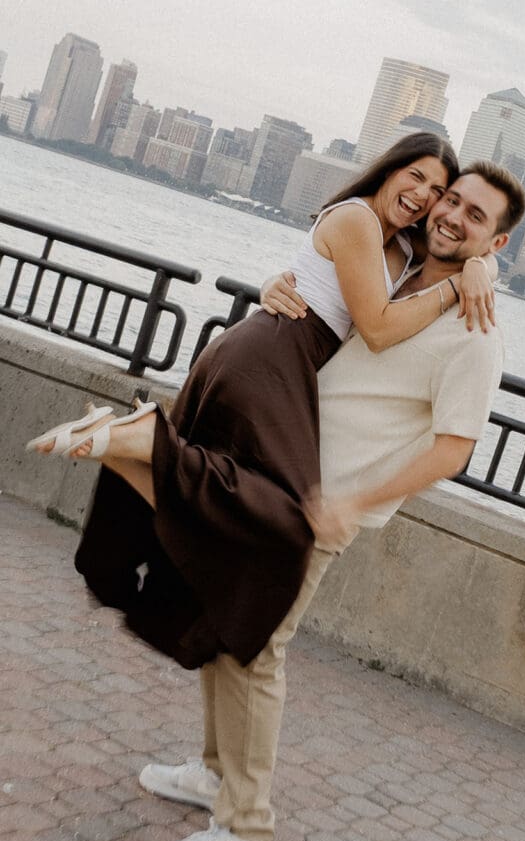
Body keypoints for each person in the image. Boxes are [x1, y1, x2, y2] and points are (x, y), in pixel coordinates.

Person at [137, 161, 525, 841]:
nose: (451, 215)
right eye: (451, 200)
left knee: (256, 653)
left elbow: (455, 449)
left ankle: (244, 834)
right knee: (225, 628)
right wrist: (274, 286)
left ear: (494, 244)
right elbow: (326, 311)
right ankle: (214, 772)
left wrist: (353, 503)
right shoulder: (399, 272)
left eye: (476, 217)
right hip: (273, 472)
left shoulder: (475, 332)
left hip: (318, 506)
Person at [28, 132, 489, 673]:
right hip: (269, 359)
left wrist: (479, 267)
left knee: (241, 503)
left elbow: (431, 263)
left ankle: (133, 449)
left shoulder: (403, 245)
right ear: (391, 169)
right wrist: (456, 289)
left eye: (437, 189)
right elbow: (379, 328)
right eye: (417, 176)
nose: (424, 194)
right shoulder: (358, 219)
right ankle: (147, 440)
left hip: (281, 361)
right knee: (286, 522)